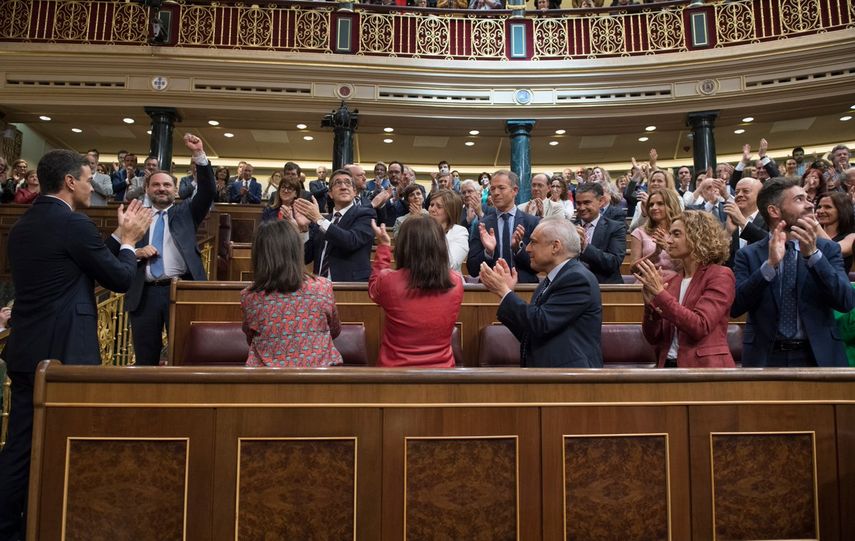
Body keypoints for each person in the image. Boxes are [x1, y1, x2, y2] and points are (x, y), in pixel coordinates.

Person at [0, 149, 151, 540]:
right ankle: (59, 518)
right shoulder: (74, 225)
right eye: (88, 178)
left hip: (25, 348)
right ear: (70, 181)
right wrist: (131, 240)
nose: (92, 185)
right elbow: (118, 276)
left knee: (19, 446)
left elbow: (77, 261)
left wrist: (118, 237)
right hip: (65, 353)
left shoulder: (24, 225)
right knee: (69, 440)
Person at [109, 134, 216, 366]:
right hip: (144, 294)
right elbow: (113, 253)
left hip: (181, 291)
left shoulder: (186, 212)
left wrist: (199, 154)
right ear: (147, 189)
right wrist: (136, 253)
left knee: (185, 356)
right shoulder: (135, 217)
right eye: (156, 185)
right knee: (145, 359)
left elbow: (207, 191)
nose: (161, 189)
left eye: (167, 185)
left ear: (176, 191)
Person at [731, 177, 855, 367]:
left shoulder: (827, 249)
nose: (810, 205)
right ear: (774, 211)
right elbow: (736, 306)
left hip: (819, 357)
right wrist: (769, 266)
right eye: (799, 199)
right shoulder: (747, 254)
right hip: (765, 358)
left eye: (807, 198)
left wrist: (814, 256)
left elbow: (845, 301)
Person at [479, 217, 603, 367]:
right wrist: (508, 292)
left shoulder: (577, 279)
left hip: (570, 380)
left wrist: (504, 292)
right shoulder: (548, 282)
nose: (527, 249)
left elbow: (541, 323)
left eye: (533, 242)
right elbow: (531, 332)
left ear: (555, 247)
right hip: (549, 375)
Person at [636, 210, 736, 368]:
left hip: (705, 369)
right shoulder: (672, 281)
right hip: (668, 365)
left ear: (697, 237)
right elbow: (653, 338)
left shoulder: (720, 275)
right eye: (670, 234)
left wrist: (661, 296)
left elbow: (700, 326)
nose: (668, 240)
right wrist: (650, 308)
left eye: (676, 234)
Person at [241, 220, 342, 367]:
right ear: (296, 251)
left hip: (266, 383)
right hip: (320, 380)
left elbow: (250, 336)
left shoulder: (250, 296)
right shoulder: (323, 287)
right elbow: (335, 330)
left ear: (259, 256)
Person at [368, 216, 464, 367]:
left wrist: (384, 247)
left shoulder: (389, 281)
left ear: (404, 246)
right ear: (439, 245)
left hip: (394, 375)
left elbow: (373, 288)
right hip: (442, 375)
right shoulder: (456, 282)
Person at [294, 169, 375, 281]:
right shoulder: (323, 220)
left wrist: (319, 219)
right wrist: (304, 229)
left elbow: (351, 241)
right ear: (330, 194)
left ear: (355, 192)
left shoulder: (365, 214)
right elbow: (305, 257)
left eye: (348, 183)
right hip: (320, 288)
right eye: (338, 183)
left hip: (350, 287)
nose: (343, 187)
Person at [467, 170, 540, 283]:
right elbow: (472, 269)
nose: (495, 193)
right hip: (489, 291)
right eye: (492, 189)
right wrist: (488, 252)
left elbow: (537, 266)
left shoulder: (532, 222)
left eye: (501, 188)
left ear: (514, 190)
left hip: (523, 290)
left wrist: (519, 249)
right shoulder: (482, 226)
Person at [574, 182, 627, 284]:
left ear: (601, 201)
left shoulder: (616, 227)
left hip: (605, 287)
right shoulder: (569, 228)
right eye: (578, 203)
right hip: (574, 286)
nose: (581, 208)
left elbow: (613, 263)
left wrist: (585, 247)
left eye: (587, 202)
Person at [629, 189, 682, 273]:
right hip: (647, 281)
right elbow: (633, 270)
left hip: (677, 282)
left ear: (671, 206)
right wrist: (655, 254)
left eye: (660, 203)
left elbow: (689, 266)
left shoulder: (683, 232)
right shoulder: (639, 232)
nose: (654, 208)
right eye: (651, 205)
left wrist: (667, 248)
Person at [724, 177, 767, 267]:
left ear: (760, 195)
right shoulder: (728, 222)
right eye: (736, 192)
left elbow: (769, 243)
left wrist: (742, 222)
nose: (739, 195)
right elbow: (718, 257)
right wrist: (728, 233)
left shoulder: (769, 219)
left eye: (746, 191)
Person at [428, 188, 469, 273]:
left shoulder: (459, 232)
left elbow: (450, 264)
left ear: (450, 211)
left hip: (448, 283)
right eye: (432, 205)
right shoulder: (421, 229)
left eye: (439, 206)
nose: (432, 209)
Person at [815, 191, 855, 273]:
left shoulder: (851, 236)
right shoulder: (811, 234)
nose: (820, 211)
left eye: (828, 207)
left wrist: (814, 224)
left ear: (842, 210)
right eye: (819, 207)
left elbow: (833, 250)